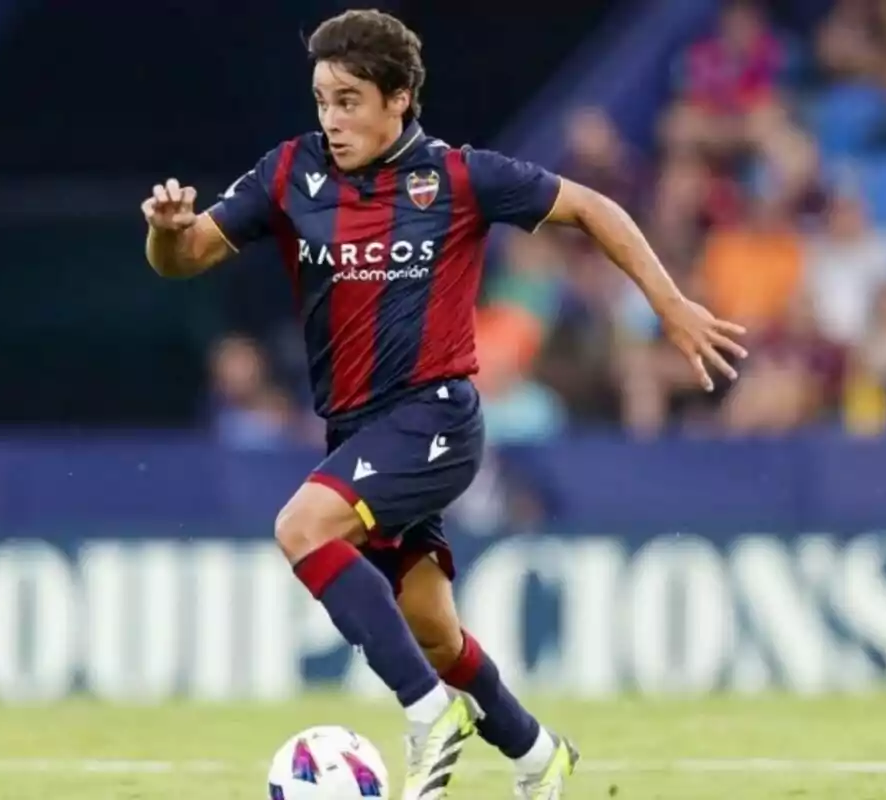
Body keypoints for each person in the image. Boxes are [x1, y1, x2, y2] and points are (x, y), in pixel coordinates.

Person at [140, 10, 747, 799]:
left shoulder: (457, 178)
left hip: (436, 416)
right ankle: (537, 756)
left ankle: (430, 714)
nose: (332, 118)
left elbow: (596, 209)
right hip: (355, 429)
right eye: (323, 99)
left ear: (398, 100)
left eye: (350, 100)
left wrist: (670, 306)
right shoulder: (290, 175)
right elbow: (184, 259)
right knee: (432, 632)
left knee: (301, 527)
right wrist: (164, 231)